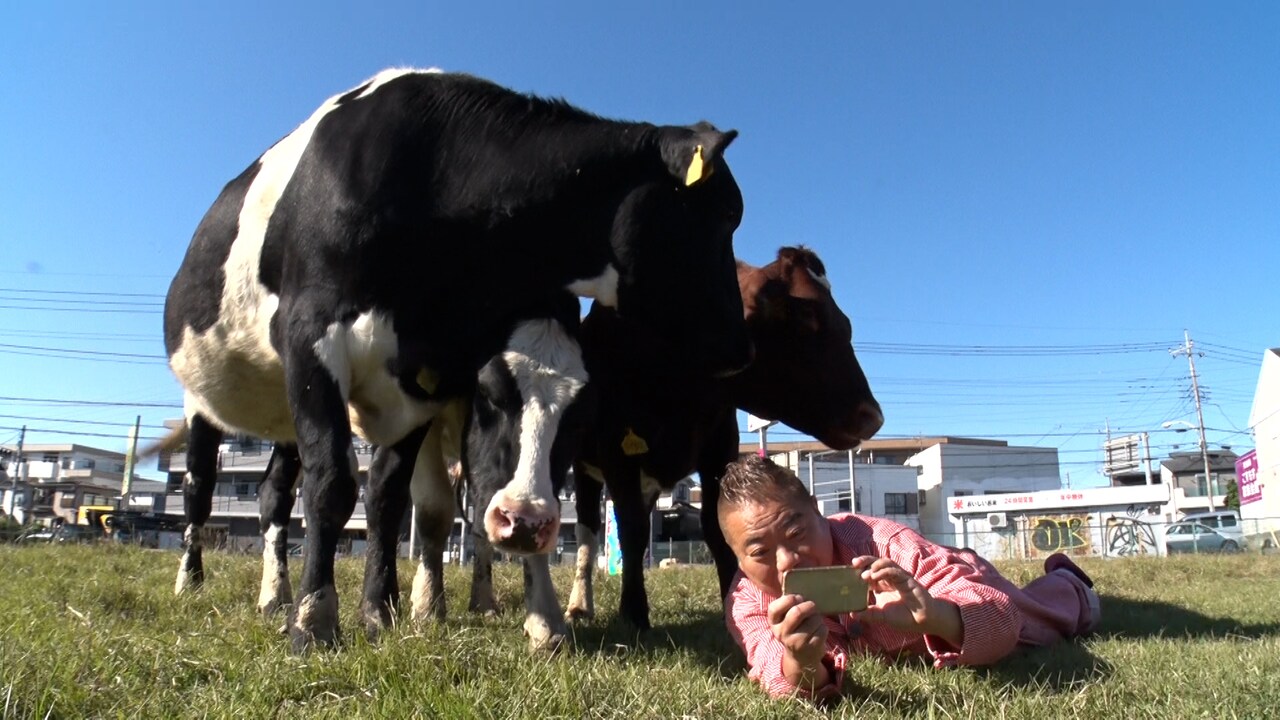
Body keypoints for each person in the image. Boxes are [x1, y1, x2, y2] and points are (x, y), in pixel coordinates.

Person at [720, 455, 1100, 704]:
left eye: (796, 531)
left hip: (959, 581)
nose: (787, 561)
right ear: (738, 560)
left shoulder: (881, 543)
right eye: (759, 553)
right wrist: (799, 661)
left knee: (1041, 620)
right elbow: (770, 668)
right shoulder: (745, 603)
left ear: (818, 513)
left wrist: (934, 614)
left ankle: (1070, 582)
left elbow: (1000, 616)